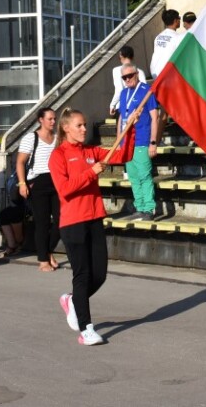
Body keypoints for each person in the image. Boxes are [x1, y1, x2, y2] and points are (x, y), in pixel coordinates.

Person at [49, 109, 123, 346]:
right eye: (79, 125)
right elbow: (65, 189)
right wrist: (91, 173)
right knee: (82, 275)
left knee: (99, 274)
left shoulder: (91, 151)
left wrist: (132, 124)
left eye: (85, 125)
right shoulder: (58, 156)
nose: (84, 129)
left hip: (94, 217)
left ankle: (72, 301)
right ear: (66, 128)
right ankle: (86, 328)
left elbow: (122, 154)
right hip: (72, 222)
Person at [16, 106, 61, 271]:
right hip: (38, 182)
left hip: (56, 181)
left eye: (54, 118)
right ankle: (43, 260)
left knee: (61, 220)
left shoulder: (57, 138)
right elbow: (20, 162)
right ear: (40, 120)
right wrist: (22, 183)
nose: (53, 122)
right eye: (50, 119)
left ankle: (48, 251)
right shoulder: (31, 138)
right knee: (41, 222)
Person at [119, 64, 160, 220]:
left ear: (136, 74)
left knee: (144, 176)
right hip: (127, 142)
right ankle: (140, 207)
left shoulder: (146, 92)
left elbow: (154, 117)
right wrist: (119, 139)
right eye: (124, 77)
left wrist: (153, 142)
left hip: (142, 139)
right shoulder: (123, 94)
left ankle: (149, 209)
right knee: (134, 177)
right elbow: (121, 119)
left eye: (130, 75)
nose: (127, 79)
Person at [109, 46, 147, 118]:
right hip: (138, 107)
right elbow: (145, 90)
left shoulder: (116, 70)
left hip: (122, 106)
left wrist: (112, 105)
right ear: (132, 56)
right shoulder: (140, 71)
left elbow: (119, 90)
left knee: (122, 128)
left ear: (121, 56)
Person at [150, 9, 183, 78]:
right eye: (179, 18)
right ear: (175, 20)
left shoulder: (158, 37)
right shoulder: (178, 38)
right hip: (167, 75)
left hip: (154, 72)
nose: (180, 20)